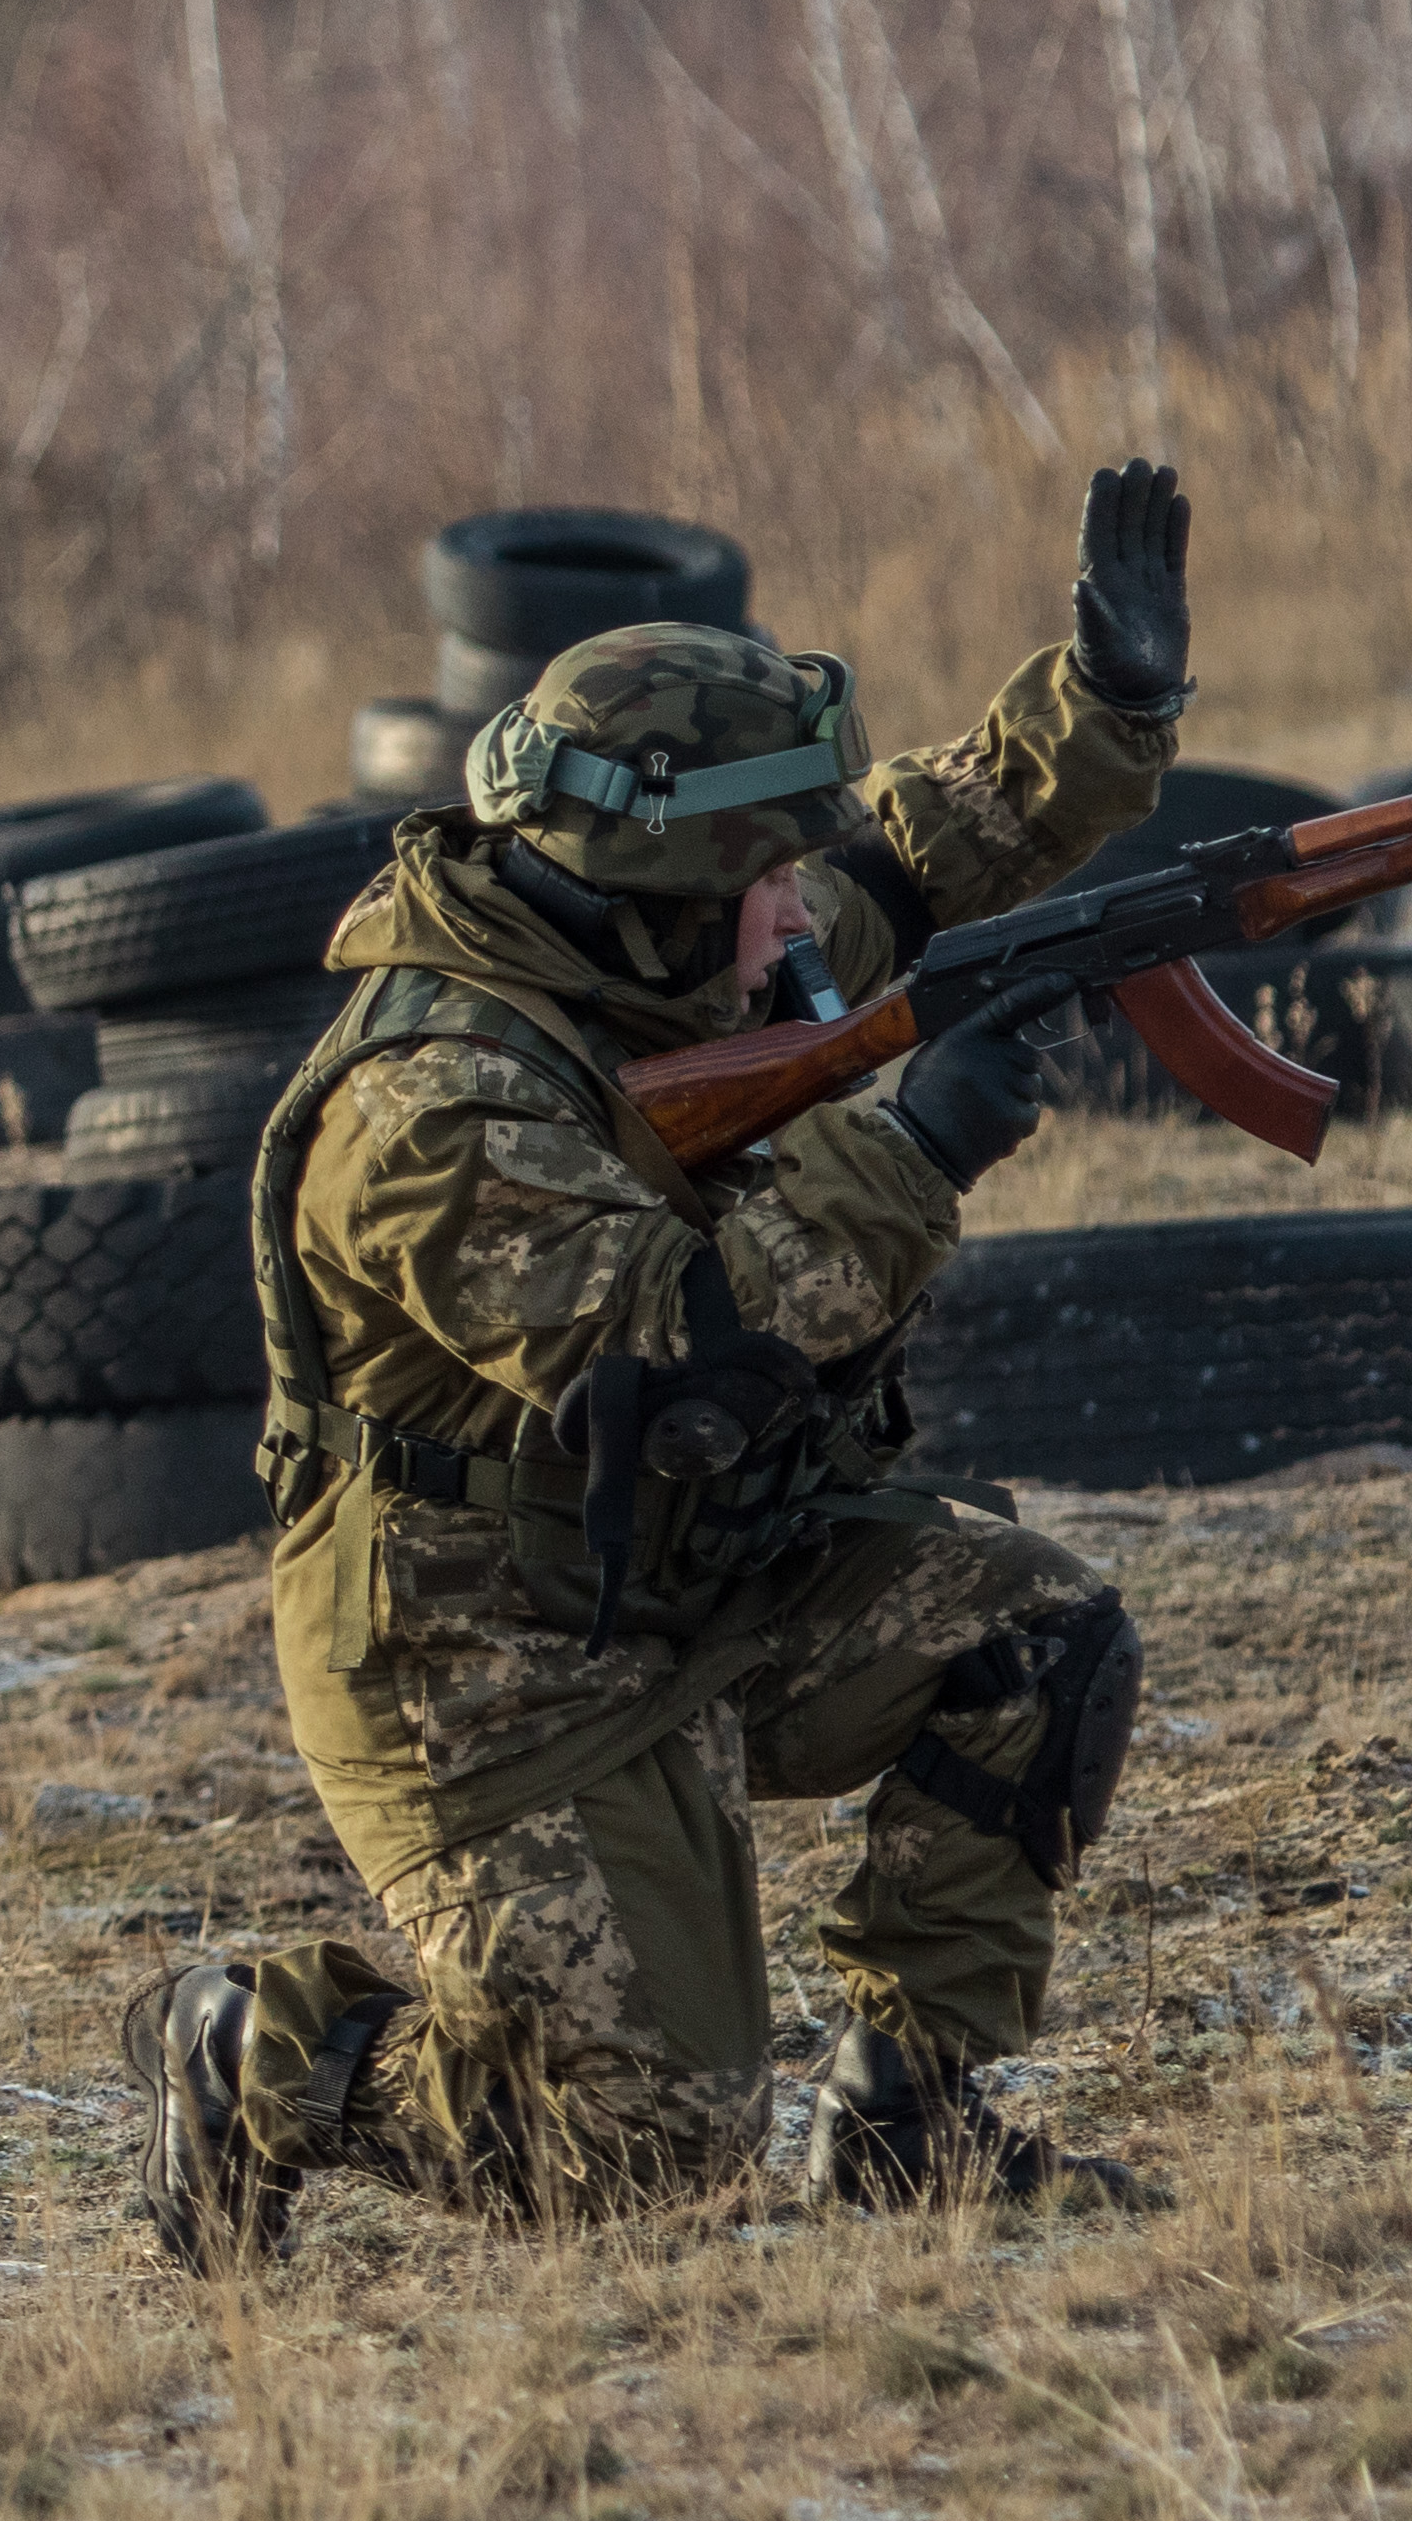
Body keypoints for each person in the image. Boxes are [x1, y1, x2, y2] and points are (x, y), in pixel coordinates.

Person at [127, 464, 1201, 2269]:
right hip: (477, 1667)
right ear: (655, 889)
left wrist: (1109, 708)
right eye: (760, 879)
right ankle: (260, 2050)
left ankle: (907, 2129)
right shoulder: (421, 1109)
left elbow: (908, 853)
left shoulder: (679, 953)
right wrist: (916, 1149)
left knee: (1033, 1633)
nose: (799, 913)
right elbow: (671, 1343)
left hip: (678, 1569)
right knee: (643, 2152)